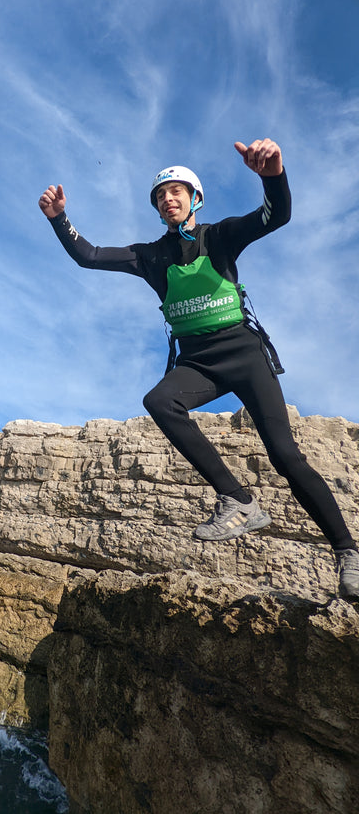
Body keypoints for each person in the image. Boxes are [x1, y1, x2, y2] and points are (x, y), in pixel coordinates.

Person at [38, 138, 359, 600]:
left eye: (177, 192)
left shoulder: (221, 236)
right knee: (159, 401)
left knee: (286, 457)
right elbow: (89, 255)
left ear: (195, 198)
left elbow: (277, 215)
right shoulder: (150, 256)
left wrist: (272, 176)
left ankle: (348, 552)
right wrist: (59, 219)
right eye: (160, 195)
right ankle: (238, 500)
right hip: (198, 362)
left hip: (244, 355)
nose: (168, 199)